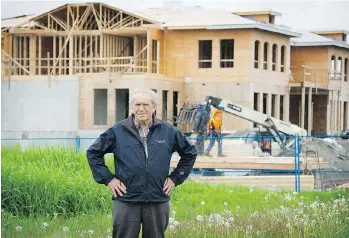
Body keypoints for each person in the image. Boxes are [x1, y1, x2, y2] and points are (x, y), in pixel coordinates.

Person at [86, 88, 197, 238]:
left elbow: (190, 153)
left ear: (154, 107)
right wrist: (109, 179)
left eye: (145, 104)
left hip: (157, 198)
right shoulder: (118, 130)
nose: (141, 109)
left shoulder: (168, 131)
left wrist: (175, 178)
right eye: (137, 105)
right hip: (127, 199)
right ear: (132, 107)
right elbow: (93, 153)